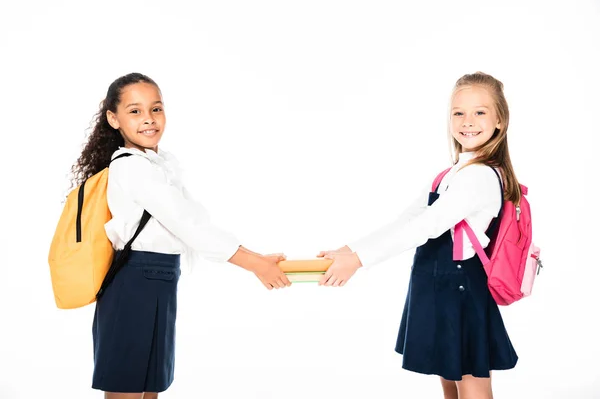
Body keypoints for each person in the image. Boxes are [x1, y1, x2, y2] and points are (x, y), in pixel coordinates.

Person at [68, 72, 291, 399]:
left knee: (151, 386)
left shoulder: (158, 165)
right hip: (134, 282)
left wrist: (255, 257)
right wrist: (255, 263)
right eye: (135, 111)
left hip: (160, 279)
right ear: (113, 119)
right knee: (127, 386)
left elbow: (194, 222)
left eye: (156, 109)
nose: (149, 119)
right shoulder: (132, 167)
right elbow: (189, 225)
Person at [318, 72, 519, 399]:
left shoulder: (479, 176)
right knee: (450, 380)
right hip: (439, 286)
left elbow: (426, 227)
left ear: (500, 120)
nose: (468, 121)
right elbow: (407, 220)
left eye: (480, 112)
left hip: (460, 289)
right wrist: (348, 250)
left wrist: (358, 260)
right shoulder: (452, 173)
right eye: (458, 112)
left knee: (470, 383)